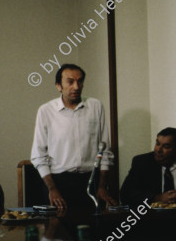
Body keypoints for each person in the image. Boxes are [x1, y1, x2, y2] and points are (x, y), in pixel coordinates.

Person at [31, 63, 117, 215]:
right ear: (59, 86)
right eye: (70, 82)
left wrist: (103, 186)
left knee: (92, 233)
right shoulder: (46, 111)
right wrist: (52, 189)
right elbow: (38, 156)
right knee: (59, 236)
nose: (76, 87)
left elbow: (105, 151)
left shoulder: (96, 106)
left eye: (80, 81)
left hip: (91, 181)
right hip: (59, 182)